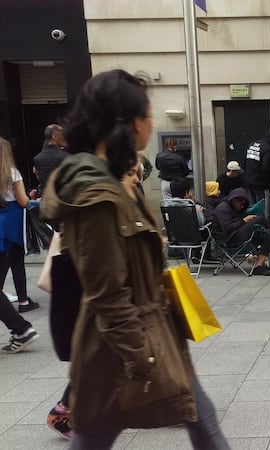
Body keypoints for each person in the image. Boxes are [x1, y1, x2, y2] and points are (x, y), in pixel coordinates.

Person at [40, 69, 230, 449]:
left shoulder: (114, 182)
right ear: (126, 124)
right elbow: (105, 292)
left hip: (150, 330)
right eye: (146, 115)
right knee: (95, 436)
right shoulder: (96, 196)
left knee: (201, 417)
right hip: (119, 347)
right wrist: (141, 357)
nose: (151, 123)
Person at [0, 137, 39, 313]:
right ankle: (23, 301)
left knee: (3, 261)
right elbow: (23, 201)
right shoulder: (12, 173)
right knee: (16, 260)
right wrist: (35, 201)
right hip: (14, 219)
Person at [213, 187, 270, 276]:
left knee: (268, 233)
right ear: (234, 200)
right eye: (241, 204)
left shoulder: (233, 208)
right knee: (260, 219)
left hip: (237, 234)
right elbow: (227, 229)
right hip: (229, 239)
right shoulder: (223, 209)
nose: (241, 207)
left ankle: (258, 266)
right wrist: (244, 221)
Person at [242, 127, 270, 203]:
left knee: (252, 206)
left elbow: (244, 163)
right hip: (261, 184)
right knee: (262, 208)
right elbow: (266, 168)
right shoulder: (268, 149)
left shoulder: (251, 144)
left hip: (249, 180)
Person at [33, 123, 69, 193]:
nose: (65, 137)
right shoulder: (66, 157)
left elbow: (37, 175)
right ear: (54, 136)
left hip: (46, 199)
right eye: (63, 134)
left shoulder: (37, 158)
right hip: (63, 199)